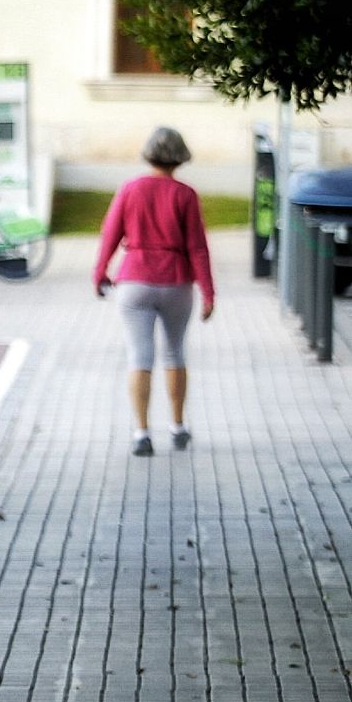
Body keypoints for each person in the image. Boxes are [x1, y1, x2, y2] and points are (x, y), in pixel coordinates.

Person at [92, 125, 215, 457]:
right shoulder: (186, 195)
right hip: (176, 282)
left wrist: (99, 271)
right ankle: (178, 426)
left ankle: (142, 432)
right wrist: (208, 291)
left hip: (134, 281)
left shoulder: (130, 189)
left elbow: (110, 234)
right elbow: (198, 247)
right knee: (175, 354)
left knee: (139, 357)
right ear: (180, 157)